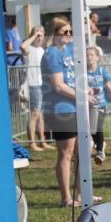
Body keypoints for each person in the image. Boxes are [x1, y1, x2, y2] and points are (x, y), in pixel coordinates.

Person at [41, 17, 96, 207]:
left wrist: (85, 88)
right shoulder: (51, 54)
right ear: (54, 33)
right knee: (66, 153)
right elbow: (58, 86)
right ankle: (66, 198)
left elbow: (77, 75)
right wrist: (82, 95)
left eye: (71, 31)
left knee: (84, 151)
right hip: (61, 110)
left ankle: (82, 194)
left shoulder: (70, 51)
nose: (70, 35)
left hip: (76, 107)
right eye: (65, 32)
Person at [86, 45, 111, 163]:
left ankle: (100, 151)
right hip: (87, 106)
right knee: (90, 129)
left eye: (91, 55)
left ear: (97, 57)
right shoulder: (82, 72)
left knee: (98, 127)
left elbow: (109, 87)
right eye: (87, 55)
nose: (89, 57)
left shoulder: (102, 71)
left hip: (101, 105)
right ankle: (100, 144)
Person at [20, 26, 51, 150]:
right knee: (34, 114)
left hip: (43, 84)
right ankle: (32, 143)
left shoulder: (42, 50)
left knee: (41, 115)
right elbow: (22, 47)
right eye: (37, 35)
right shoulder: (29, 48)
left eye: (41, 35)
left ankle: (42, 141)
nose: (39, 38)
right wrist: (33, 35)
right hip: (33, 84)